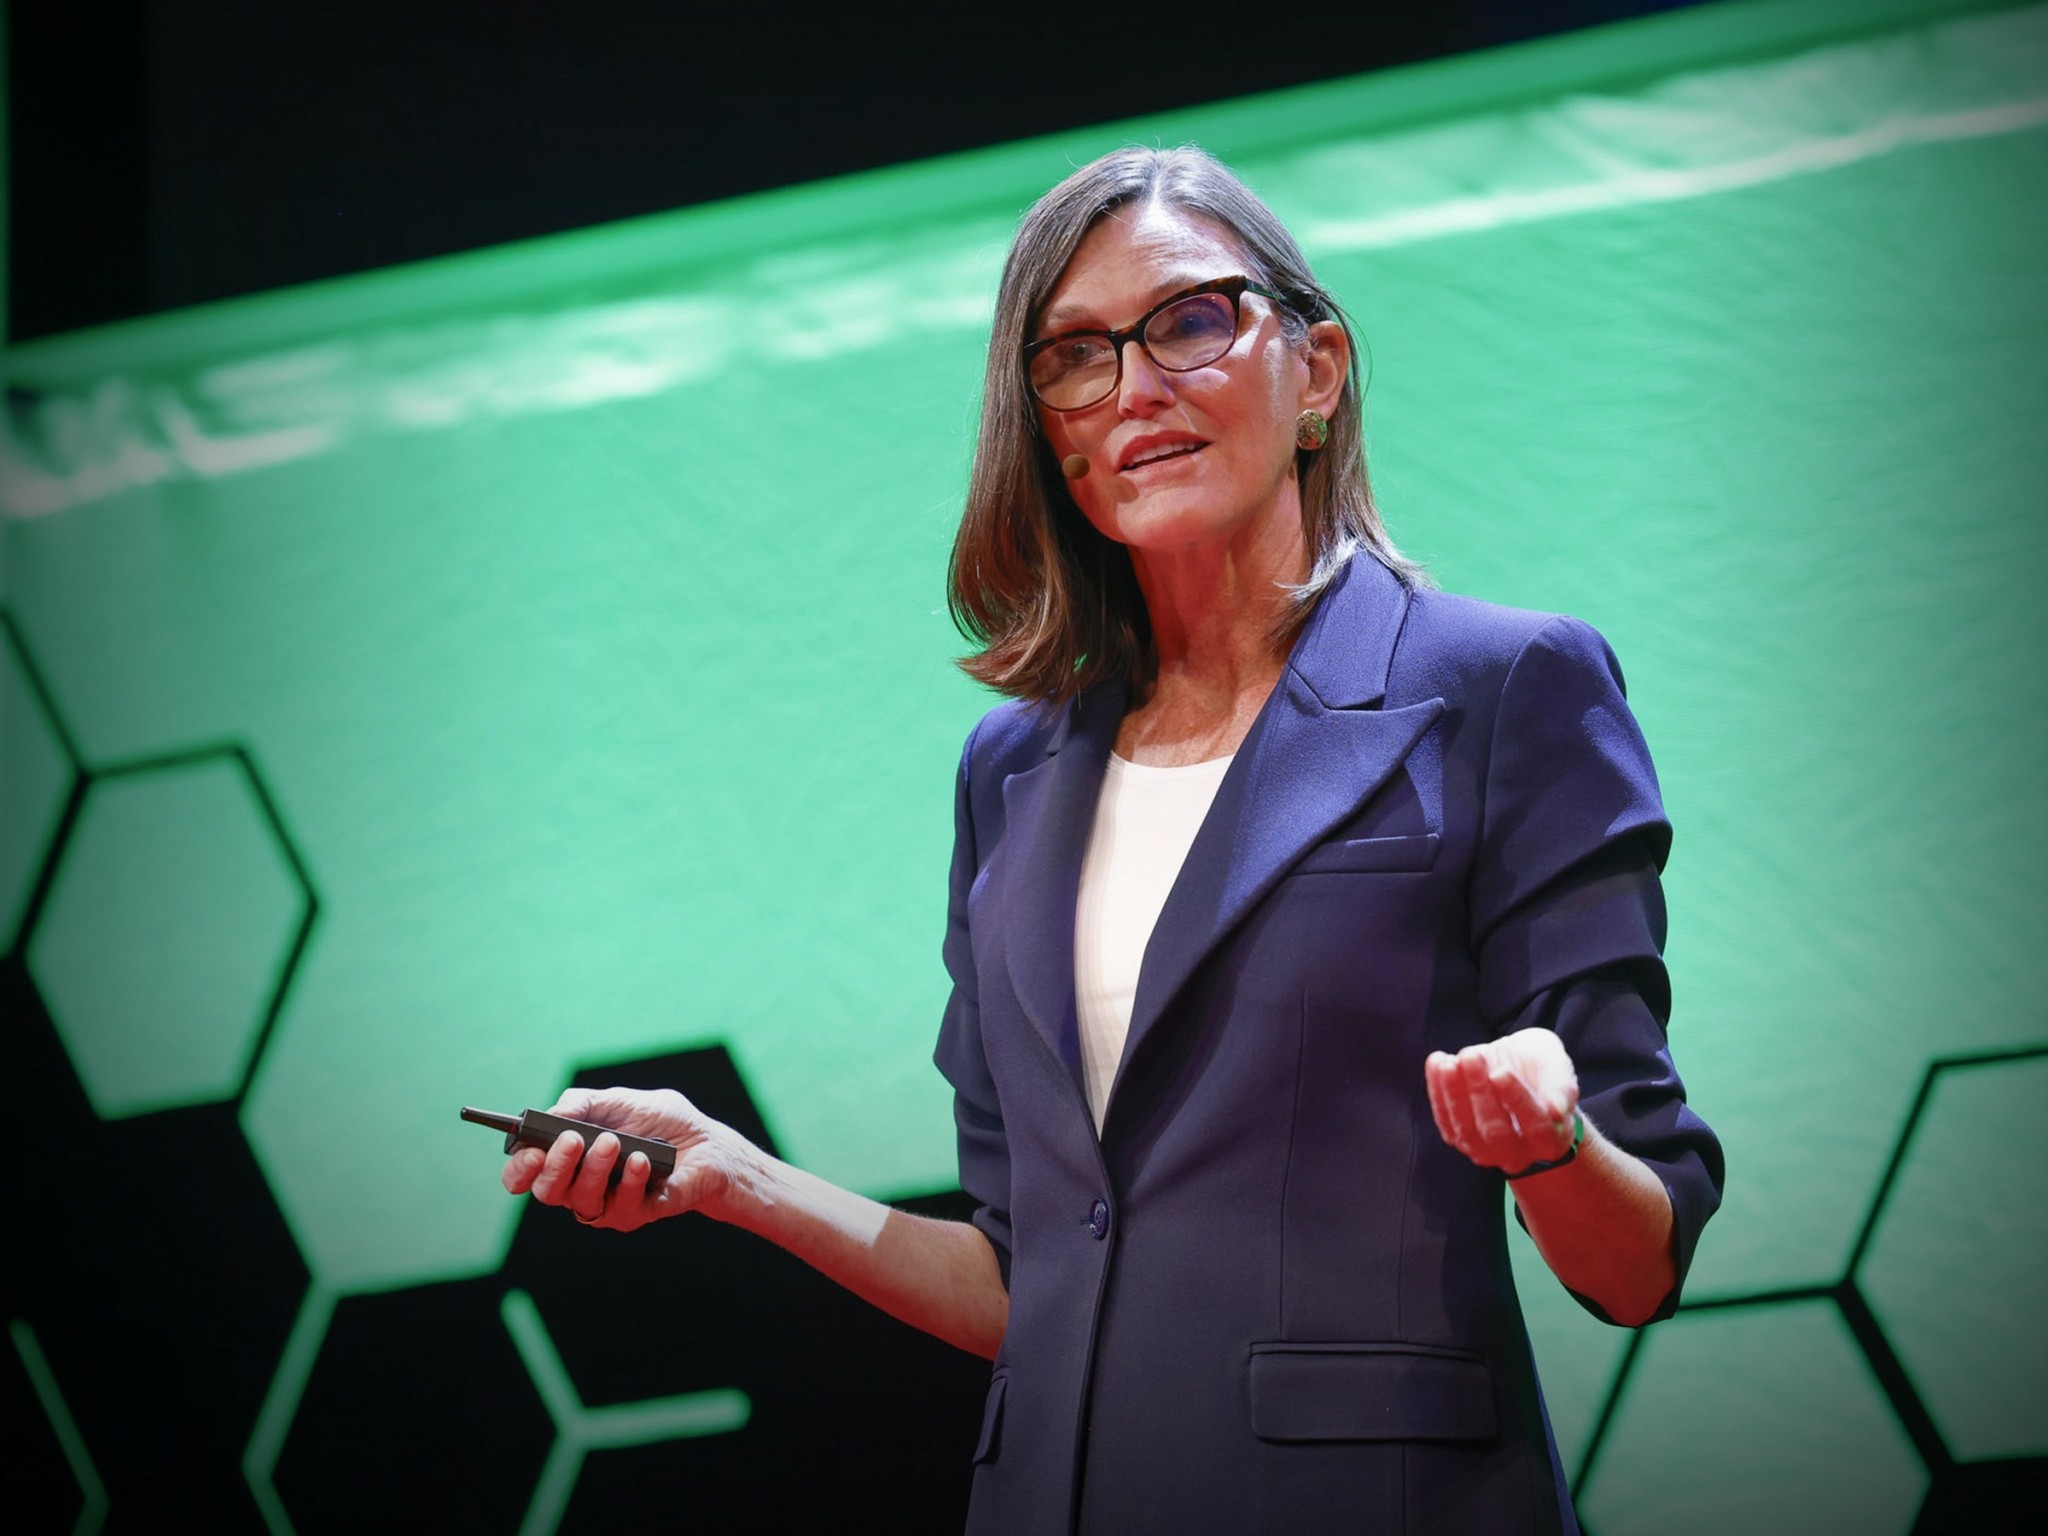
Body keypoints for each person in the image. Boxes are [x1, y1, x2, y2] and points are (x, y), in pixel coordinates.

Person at [503, 145, 1722, 1534]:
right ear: (1050, 436)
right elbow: (1027, 1283)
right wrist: (738, 1179)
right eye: (1076, 356)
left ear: (1316, 371)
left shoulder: (1506, 687)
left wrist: (1549, 1143)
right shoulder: (1011, 771)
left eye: (1190, 320)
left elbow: (1639, 1264)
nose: (1136, 386)